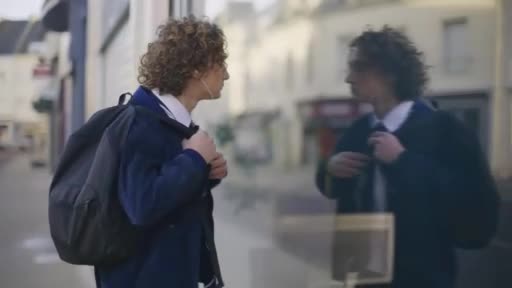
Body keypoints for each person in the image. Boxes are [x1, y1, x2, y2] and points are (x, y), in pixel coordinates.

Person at [316, 27, 500, 288]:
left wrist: (404, 161)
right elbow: (332, 188)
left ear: (389, 73)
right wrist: (329, 170)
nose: (348, 78)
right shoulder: (357, 131)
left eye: (358, 68)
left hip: (423, 279)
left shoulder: (446, 130)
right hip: (363, 278)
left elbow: (479, 212)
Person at [94, 17, 230, 288]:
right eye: (221, 64)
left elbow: (165, 191)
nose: (226, 74)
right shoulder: (140, 122)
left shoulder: (170, 120)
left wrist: (205, 173)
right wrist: (194, 160)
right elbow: (142, 205)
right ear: (196, 68)